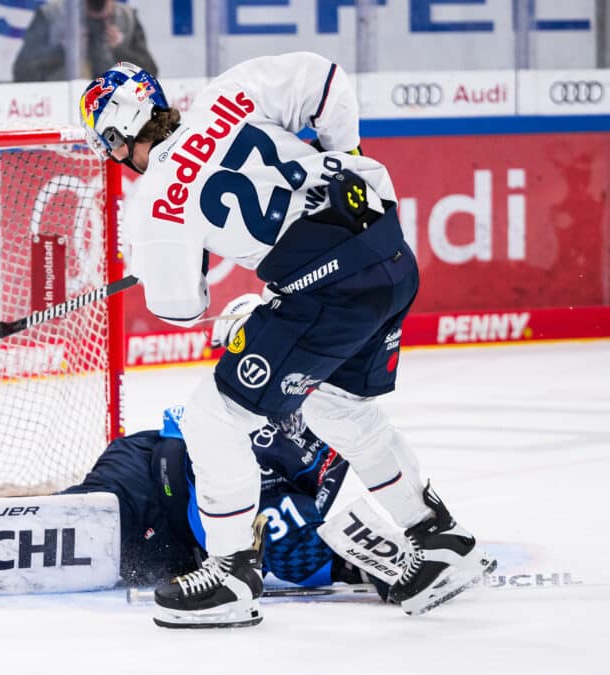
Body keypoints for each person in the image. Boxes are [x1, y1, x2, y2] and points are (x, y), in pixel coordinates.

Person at [78, 55, 492, 627]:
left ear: (119, 136)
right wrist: (344, 156)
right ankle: (439, 536)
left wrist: (182, 264)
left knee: (212, 417)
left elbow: (180, 310)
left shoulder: (155, 204)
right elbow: (325, 81)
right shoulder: (225, 96)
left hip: (330, 293)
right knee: (339, 409)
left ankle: (231, 575)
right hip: (390, 256)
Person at [0, 397, 387, 603]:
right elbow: (191, 438)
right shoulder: (239, 402)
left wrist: (388, 565)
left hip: (178, 551)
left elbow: (331, 528)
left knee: (294, 538)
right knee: (43, 539)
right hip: (147, 482)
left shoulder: (315, 439)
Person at [12, 0, 157, 82]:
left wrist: (121, 50)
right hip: (63, 106)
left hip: (112, 109)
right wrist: (61, 51)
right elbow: (22, 71)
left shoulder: (126, 18)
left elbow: (151, 73)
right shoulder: (52, 16)